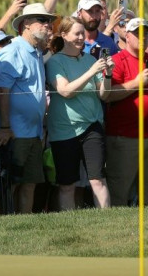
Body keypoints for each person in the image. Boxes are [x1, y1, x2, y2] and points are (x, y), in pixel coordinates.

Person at [45, 17, 114, 210]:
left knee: (98, 179)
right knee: (67, 185)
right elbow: (65, 91)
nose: (81, 37)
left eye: (83, 33)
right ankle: (70, 226)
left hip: (92, 126)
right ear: (64, 35)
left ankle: (107, 222)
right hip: (64, 130)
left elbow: (104, 94)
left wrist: (107, 75)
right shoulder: (55, 62)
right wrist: (92, 71)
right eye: (77, 33)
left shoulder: (91, 60)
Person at [0, 3, 54, 213]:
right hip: (14, 133)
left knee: (30, 182)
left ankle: (24, 224)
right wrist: (4, 127)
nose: (48, 25)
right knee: (12, 183)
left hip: (34, 132)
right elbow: (2, 91)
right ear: (26, 24)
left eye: (49, 21)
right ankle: (6, 225)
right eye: (43, 21)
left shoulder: (37, 52)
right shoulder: (13, 51)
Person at [105, 18, 148, 206]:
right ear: (127, 36)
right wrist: (136, 83)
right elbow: (108, 95)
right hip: (124, 137)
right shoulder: (116, 61)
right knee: (120, 192)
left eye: (145, 34)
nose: (142, 38)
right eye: (137, 34)